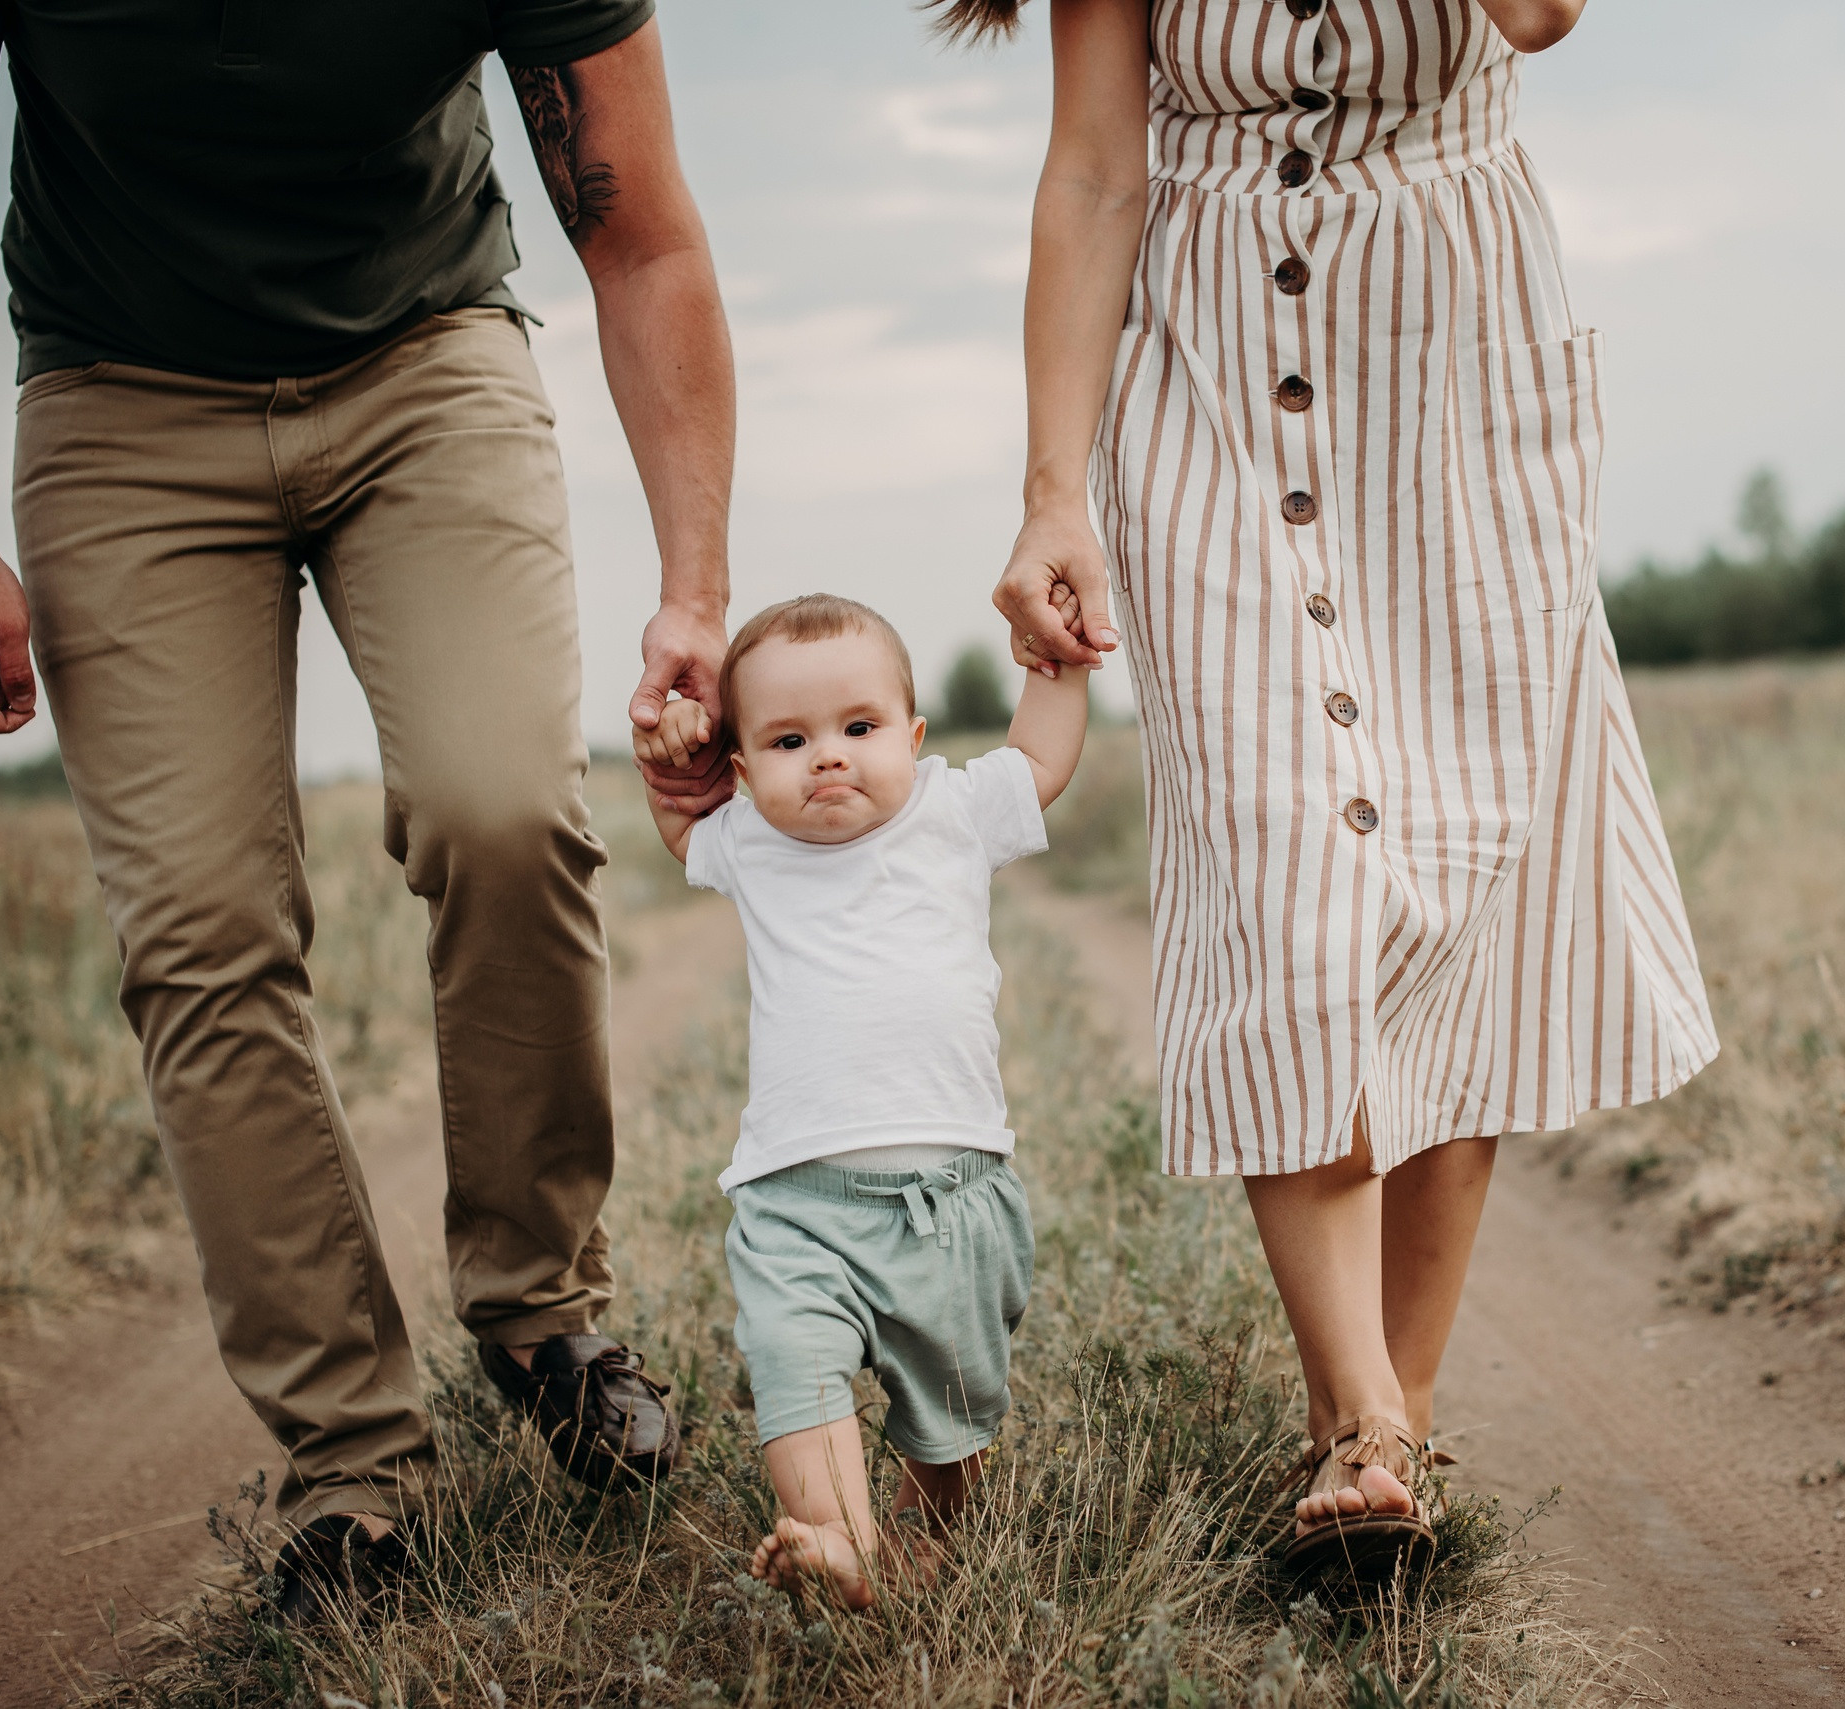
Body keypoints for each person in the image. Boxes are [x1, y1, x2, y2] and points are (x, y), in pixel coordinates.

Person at [0, 0, 738, 1617]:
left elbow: (644, 229)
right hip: (121, 400)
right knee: (199, 927)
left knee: (502, 811)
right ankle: (352, 1461)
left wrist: (695, 588)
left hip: (425, 355)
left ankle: (543, 1310)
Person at [970, 0, 1720, 1575]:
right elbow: (1097, 167)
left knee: (1455, 871)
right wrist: (1053, 488)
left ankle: (1392, 1426)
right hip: (1205, 395)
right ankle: (1361, 1409)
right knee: (1287, 874)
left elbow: (1540, 17)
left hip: (1454, 384)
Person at [635, 594, 1088, 1606]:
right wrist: (666, 742)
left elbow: (1041, 759)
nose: (828, 757)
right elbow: (676, 818)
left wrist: (1056, 661)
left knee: (954, 1411)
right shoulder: (747, 838)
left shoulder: (953, 810)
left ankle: (924, 1540)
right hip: (795, 1197)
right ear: (743, 770)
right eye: (789, 741)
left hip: (953, 1193)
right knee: (792, 1357)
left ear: (915, 739)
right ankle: (837, 1533)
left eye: (859, 726)